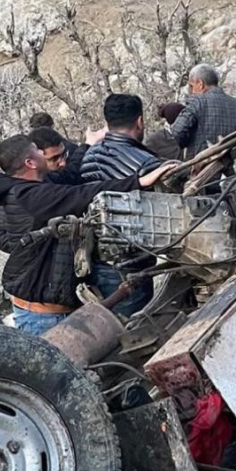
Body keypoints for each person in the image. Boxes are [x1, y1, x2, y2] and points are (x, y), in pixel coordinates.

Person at [0, 135, 174, 336]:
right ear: (30, 163)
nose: (42, 153)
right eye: (37, 151)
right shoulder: (31, 196)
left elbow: (69, 175)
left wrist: (87, 144)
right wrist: (139, 181)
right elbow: (82, 194)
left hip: (39, 301)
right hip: (45, 315)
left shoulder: (19, 189)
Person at [80, 94, 164, 316]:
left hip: (97, 260)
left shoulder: (89, 156)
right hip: (133, 264)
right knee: (136, 327)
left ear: (107, 123)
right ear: (140, 122)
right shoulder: (147, 164)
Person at [170, 64, 236, 159]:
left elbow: (177, 132)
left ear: (200, 84)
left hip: (204, 167)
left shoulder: (197, 102)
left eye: (191, 86)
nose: (191, 91)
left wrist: (186, 143)